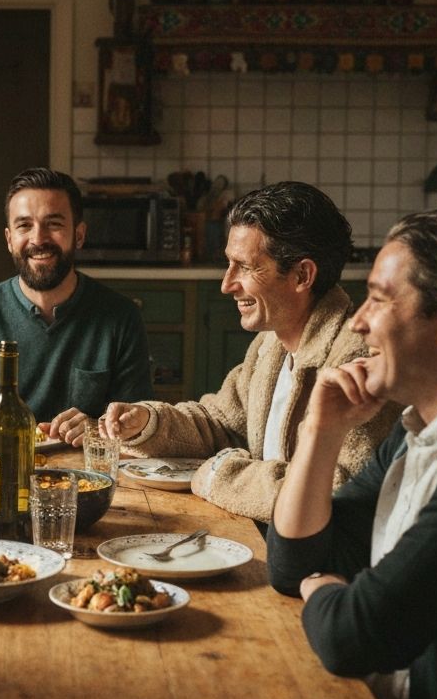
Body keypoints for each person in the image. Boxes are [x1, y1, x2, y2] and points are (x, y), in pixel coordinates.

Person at [143, 208, 437, 699]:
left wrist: (332, 594)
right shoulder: (416, 439)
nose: (358, 323)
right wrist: (322, 430)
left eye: (381, 299)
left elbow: (356, 633)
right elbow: (295, 562)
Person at [101, 181, 400, 523]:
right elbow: (222, 422)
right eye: (229, 264)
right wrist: (149, 422)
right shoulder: (271, 343)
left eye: (245, 266)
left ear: (302, 275)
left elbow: (336, 492)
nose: (227, 284)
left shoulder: (358, 360)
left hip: (316, 567)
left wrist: (220, 475)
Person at [0, 167, 153, 441]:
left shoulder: (121, 317)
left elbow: (140, 422)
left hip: (89, 477)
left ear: (79, 235)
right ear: (9, 239)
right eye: (24, 225)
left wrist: (94, 427)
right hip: (0, 473)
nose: (38, 239)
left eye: (54, 224)